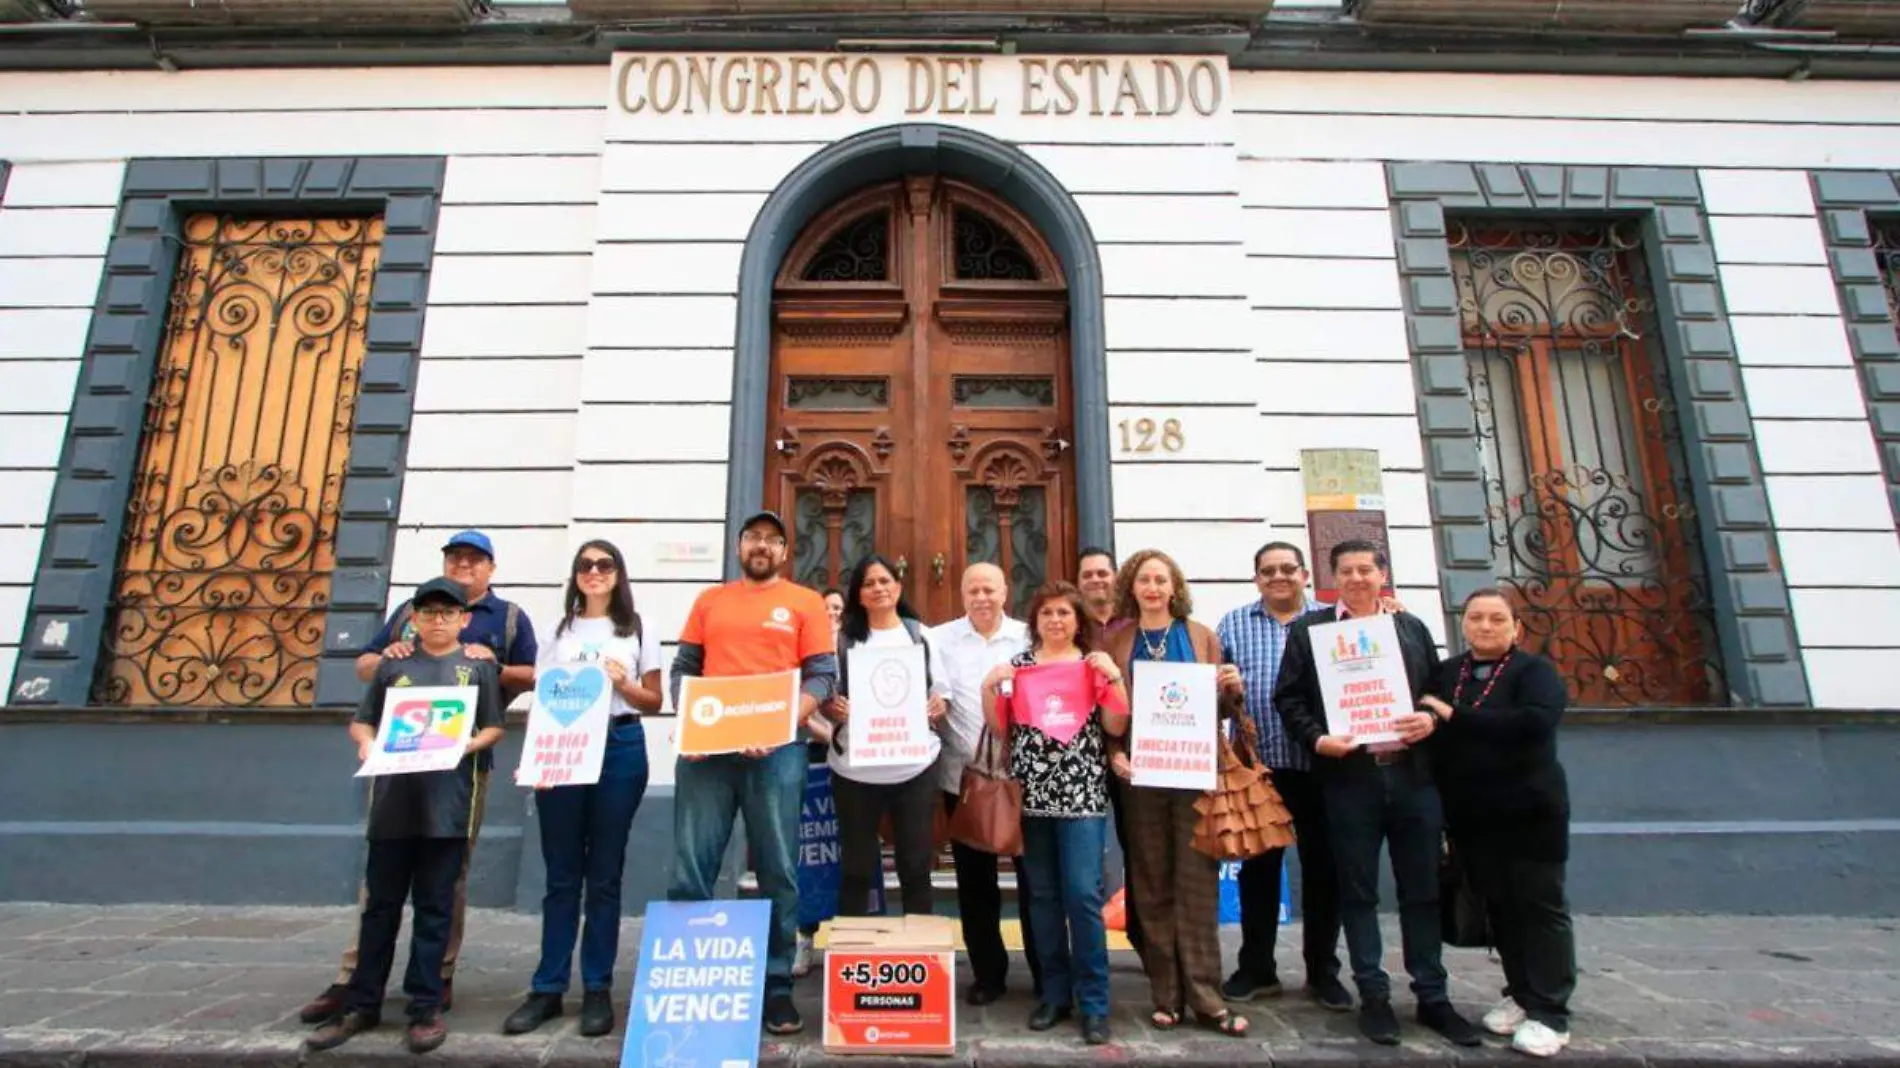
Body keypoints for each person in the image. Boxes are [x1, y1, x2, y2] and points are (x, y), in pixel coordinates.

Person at [300, 529, 538, 1025]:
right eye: (456, 558)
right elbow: (366, 665)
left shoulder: (509, 617)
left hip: (461, 771)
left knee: (446, 880)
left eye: (475, 560)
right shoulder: (408, 613)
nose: (464, 566)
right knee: (380, 886)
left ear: (490, 569)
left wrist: (492, 662)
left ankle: (436, 979)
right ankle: (354, 979)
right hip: (396, 768)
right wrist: (388, 656)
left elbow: (533, 676)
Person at [1275, 539, 1479, 1048]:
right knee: (1357, 892)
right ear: (1332, 578)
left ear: (1382, 574)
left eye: (1366, 569)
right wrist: (1318, 739)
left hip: (1412, 779)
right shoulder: (1310, 631)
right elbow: (1289, 697)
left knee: (1422, 891)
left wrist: (1428, 718)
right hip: (1350, 781)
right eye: (1347, 571)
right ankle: (1374, 996)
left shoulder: (1408, 627)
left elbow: (1437, 689)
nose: (1357, 578)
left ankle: (1432, 995)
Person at [668, 511, 838, 1035]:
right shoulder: (709, 601)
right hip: (708, 754)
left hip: (778, 750)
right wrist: (691, 726)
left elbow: (824, 677)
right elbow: (684, 670)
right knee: (691, 867)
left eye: (772, 539)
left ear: (785, 552)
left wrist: (786, 720)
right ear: (740, 547)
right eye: (753, 538)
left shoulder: (805, 602)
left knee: (778, 869)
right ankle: (690, 980)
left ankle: (777, 986)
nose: (761, 545)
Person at [504, 541, 661, 1038]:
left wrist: (624, 685)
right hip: (565, 750)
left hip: (619, 746)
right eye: (585, 566)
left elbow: (655, 700)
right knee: (561, 875)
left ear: (619, 574)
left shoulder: (638, 627)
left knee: (605, 874)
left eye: (604, 564)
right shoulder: (558, 631)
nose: (594, 572)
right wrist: (538, 759)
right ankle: (547, 988)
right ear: (575, 576)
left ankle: (597, 988)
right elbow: (544, 696)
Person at [1101, 549, 1256, 1038]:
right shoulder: (1118, 640)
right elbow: (1106, 706)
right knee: (1150, 885)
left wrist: (1232, 687)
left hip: (1195, 775)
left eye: (1160, 580)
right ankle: (1165, 995)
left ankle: (1207, 998)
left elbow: (1222, 707)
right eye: (1144, 579)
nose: (1152, 587)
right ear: (1132, 586)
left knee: (1196, 885)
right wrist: (1113, 750)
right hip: (1142, 779)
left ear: (1174, 588)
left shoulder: (1201, 636)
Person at [1422, 590, 1576, 1058]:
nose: (1485, 627)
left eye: (1496, 619)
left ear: (1516, 627)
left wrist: (1455, 716)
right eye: (1475, 618)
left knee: (1540, 908)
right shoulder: (1450, 674)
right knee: (1500, 909)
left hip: (1530, 813)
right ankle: (1521, 994)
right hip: (1473, 815)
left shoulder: (1535, 673)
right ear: (1463, 624)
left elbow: (1532, 724)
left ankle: (1552, 1012)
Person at [981, 582, 1128, 1047]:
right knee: (1042, 897)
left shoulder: (1092, 666)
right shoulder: (1019, 668)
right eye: (1047, 613)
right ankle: (1053, 993)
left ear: (1078, 620)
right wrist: (990, 685)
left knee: (1083, 896)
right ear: (1035, 620)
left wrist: (1116, 679)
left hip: (1082, 796)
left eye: (1064, 613)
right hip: (1032, 797)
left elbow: (1116, 724)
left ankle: (1095, 1003)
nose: (1056, 621)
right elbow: (1000, 727)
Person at [1215, 542, 1351, 1010]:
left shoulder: (1335, 621)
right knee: (1258, 872)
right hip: (1263, 768)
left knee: (1323, 871)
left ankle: (1322, 971)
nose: (1278, 577)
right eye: (1267, 571)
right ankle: (1257, 968)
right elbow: (1214, 700)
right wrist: (1224, 688)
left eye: (1287, 569)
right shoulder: (1233, 624)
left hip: (1325, 766)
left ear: (1305, 574)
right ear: (1256, 578)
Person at [930, 562, 1040, 1005]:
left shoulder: (1028, 637)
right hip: (965, 779)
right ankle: (988, 974)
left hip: (1025, 780)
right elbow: (931, 695)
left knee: (1036, 881)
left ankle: (1045, 973)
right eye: (973, 589)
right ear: (961, 594)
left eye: (989, 589)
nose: (981, 598)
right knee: (975, 884)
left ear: (1005, 591)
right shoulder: (939, 640)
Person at [817, 554, 950, 917]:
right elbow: (826, 698)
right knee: (856, 868)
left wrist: (939, 705)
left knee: (916, 865)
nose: (878, 589)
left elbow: (942, 691)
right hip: (854, 771)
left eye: (884, 581)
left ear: (898, 587)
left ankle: (919, 954)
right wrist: (834, 708)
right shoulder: (842, 640)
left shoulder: (920, 635)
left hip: (914, 767)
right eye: (869, 583)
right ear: (858, 594)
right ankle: (853, 959)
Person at [1076, 545, 1145, 966]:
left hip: (1132, 756)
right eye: (1088, 575)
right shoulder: (1070, 626)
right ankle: (1085, 955)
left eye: (1104, 573)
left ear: (1116, 578)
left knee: (1140, 853)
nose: (1097, 580)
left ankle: (1145, 941)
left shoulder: (1137, 626)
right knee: (1084, 862)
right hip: (1079, 759)